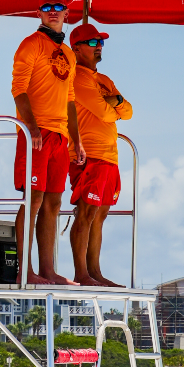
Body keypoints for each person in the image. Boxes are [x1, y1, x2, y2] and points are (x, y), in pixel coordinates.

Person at [11, 0, 86, 285]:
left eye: (58, 6)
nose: (53, 11)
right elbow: (18, 89)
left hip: (60, 135)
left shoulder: (68, 53)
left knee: (54, 203)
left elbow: (70, 99)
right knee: (34, 199)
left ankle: (47, 270)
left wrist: (76, 139)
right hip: (35, 133)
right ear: (38, 12)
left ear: (68, 13)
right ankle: (24, 270)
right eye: (47, 6)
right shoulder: (30, 45)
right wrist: (31, 127)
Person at [67, 24, 133, 287]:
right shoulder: (77, 77)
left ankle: (95, 272)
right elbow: (108, 113)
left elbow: (128, 111)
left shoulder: (104, 80)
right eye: (93, 42)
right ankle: (81, 274)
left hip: (110, 156)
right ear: (77, 48)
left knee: (101, 213)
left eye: (101, 42)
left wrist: (114, 103)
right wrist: (114, 103)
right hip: (88, 154)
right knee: (86, 210)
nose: (99, 46)